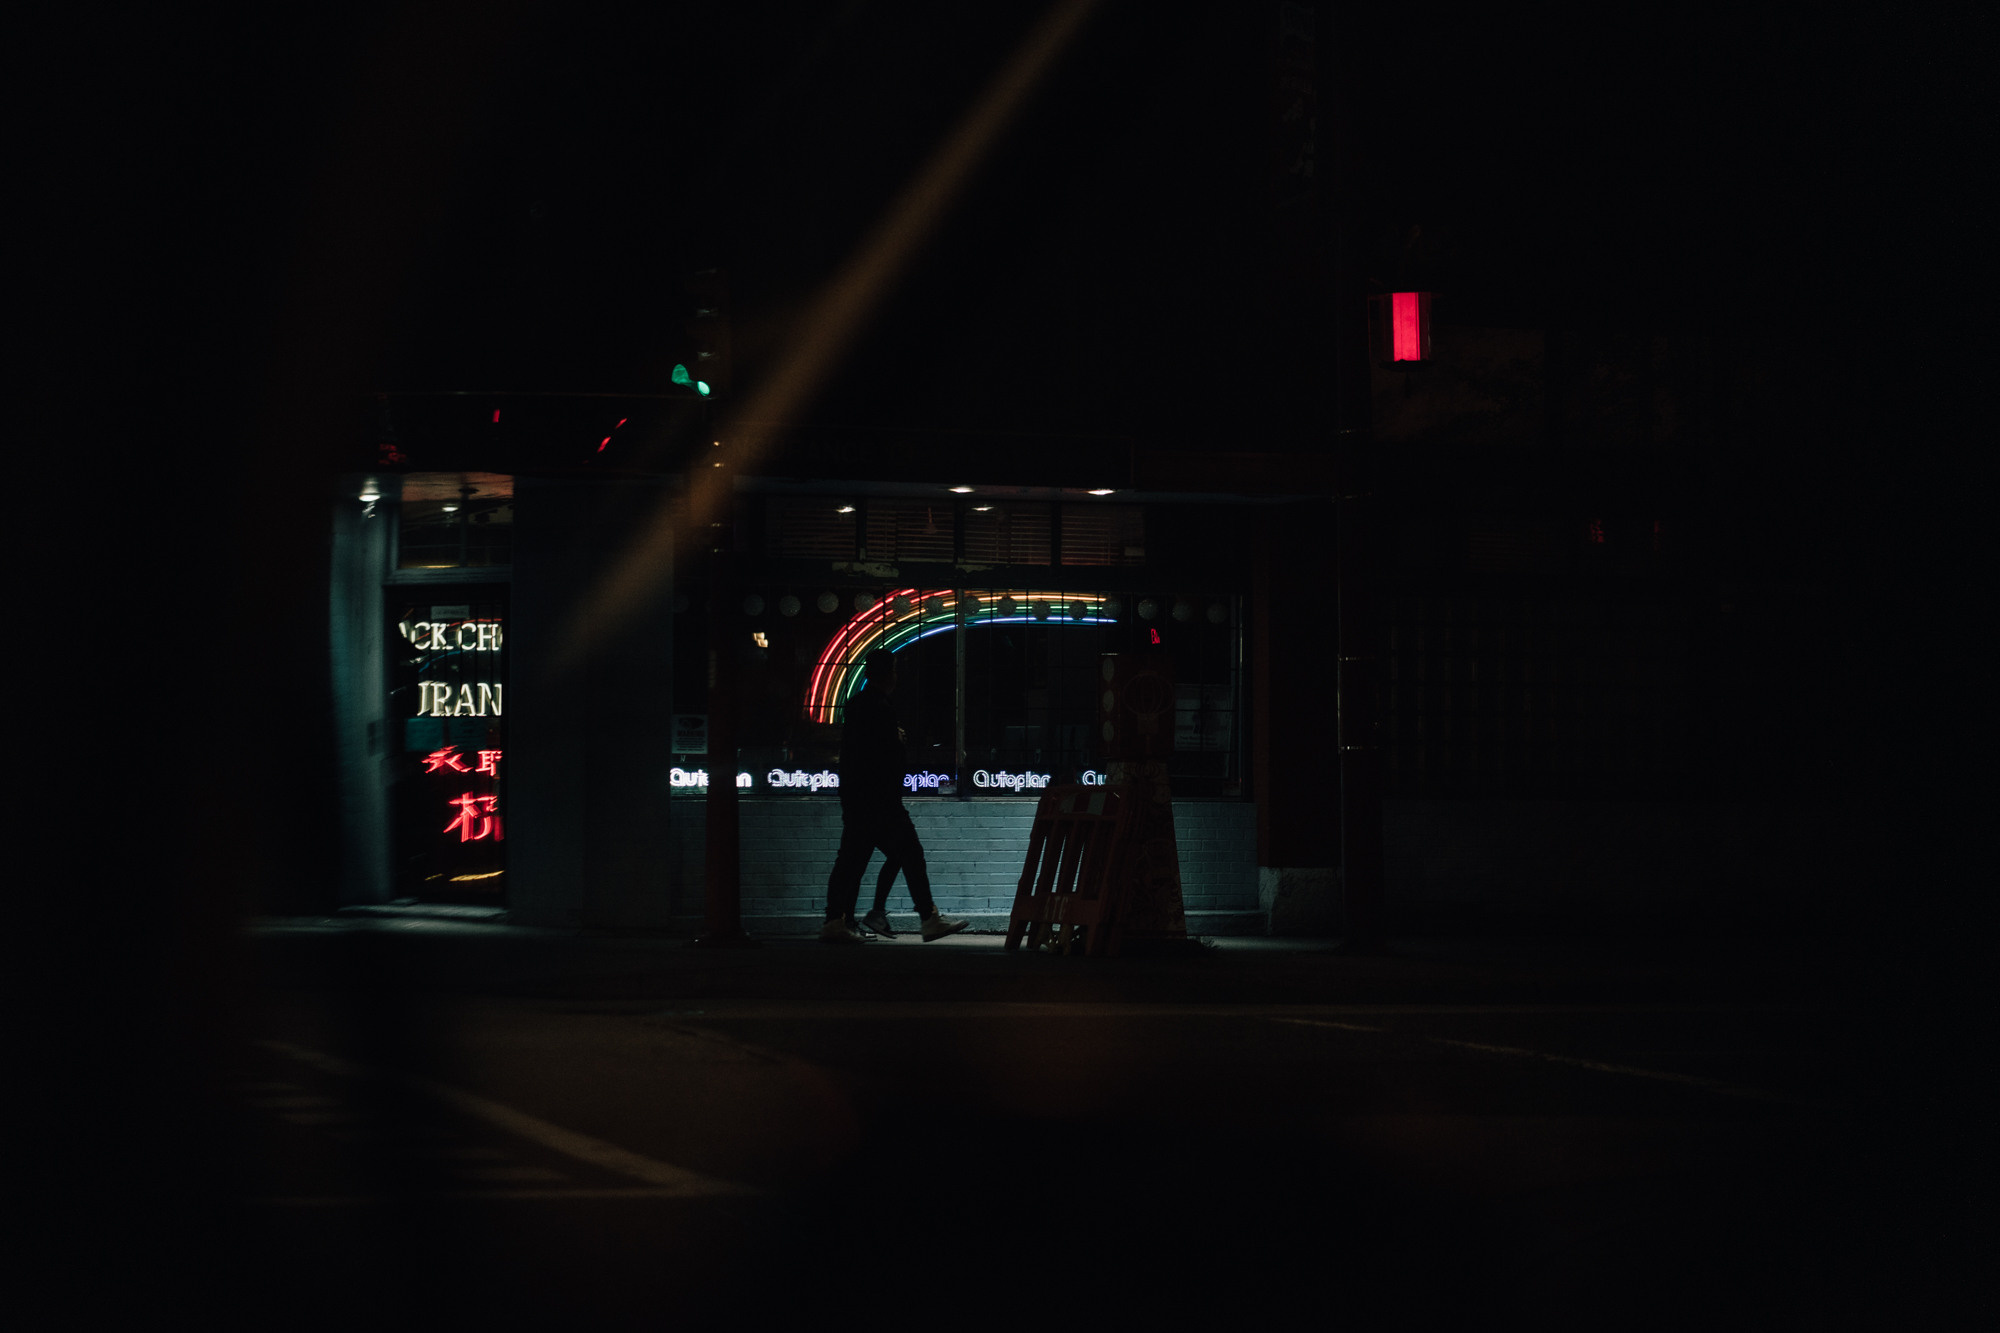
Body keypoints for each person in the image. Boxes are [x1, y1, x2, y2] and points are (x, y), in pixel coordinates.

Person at [823, 650, 968, 944]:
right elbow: (888, 756)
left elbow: (855, 756)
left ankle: (836, 921)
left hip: (859, 799)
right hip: (882, 802)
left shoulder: (857, 706)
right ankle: (928, 918)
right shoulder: (880, 708)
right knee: (909, 853)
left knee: (852, 860)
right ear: (890, 674)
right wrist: (898, 741)